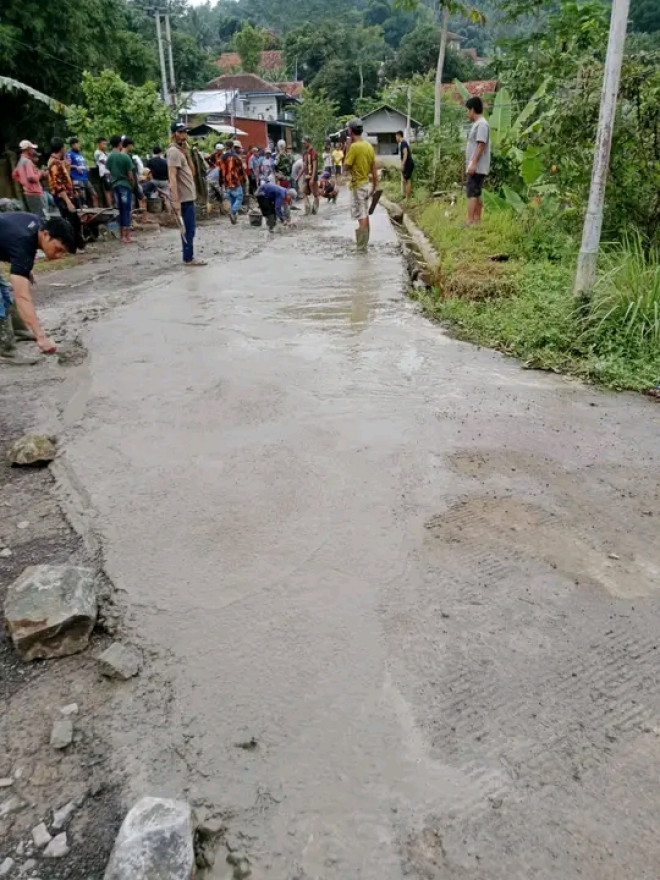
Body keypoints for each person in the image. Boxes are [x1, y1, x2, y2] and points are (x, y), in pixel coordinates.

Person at [0, 213, 76, 360]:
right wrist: (41, 337)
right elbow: (22, 297)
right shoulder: (24, 243)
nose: (59, 256)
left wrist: (25, 269)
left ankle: (20, 332)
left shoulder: (39, 224)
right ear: (46, 235)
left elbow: (10, 240)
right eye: (58, 249)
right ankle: (5, 350)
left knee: (4, 291)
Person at [166, 122, 205, 266]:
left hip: (189, 196)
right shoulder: (173, 152)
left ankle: (189, 257)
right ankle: (189, 258)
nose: (184, 135)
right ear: (174, 134)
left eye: (185, 132)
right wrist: (176, 200)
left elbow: (192, 172)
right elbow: (172, 177)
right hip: (183, 199)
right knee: (188, 230)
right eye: (180, 132)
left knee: (190, 229)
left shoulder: (181, 152)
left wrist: (187, 154)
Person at [344, 118, 378, 252]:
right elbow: (374, 168)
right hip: (366, 184)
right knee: (365, 213)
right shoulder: (369, 146)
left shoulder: (354, 147)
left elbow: (346, 167)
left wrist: (348, 148)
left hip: (357, 185)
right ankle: (364, 245)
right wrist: (375, 186)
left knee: (361, 215)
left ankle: (361, 248)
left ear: (350, 131)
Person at [48, 138, 85, 251]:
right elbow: (58, 186)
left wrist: (67, 167)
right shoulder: (54, 164)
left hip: (68, 194)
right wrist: (68, 202)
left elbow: (65, 178)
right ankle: (73, 247)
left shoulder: (59, 162)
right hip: (63, 197)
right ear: (61, 149)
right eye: (64, 147)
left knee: (74, 220)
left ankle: (78, 245)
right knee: (71, 221)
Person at [465, 96, 490, 226]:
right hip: (476, 165)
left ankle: (470, 221)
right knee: (476, 192)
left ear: (472, 110)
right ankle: (476, 220)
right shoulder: (478, 124)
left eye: (468, 110)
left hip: (477, 166)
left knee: (472, 193)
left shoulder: (482, 124)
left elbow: (481, 145)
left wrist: (473, 163)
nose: (467, 113)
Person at [105, 134, 135, 244]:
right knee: (126, 210)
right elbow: (130, 175)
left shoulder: (109, 157)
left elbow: (109, 173)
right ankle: (126, 236)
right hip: (125, 185)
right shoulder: (125, 157)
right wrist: (132, 184)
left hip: (115, 186)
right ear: (120, 144)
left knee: (121, 210)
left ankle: (122, 235)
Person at [12, 140, 47, 216]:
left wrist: (24, 182)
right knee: (41, 216)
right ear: (28, 149)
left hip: (28, 192)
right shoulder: (28, 162)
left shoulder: (20, 161)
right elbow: (32, 178)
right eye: (32, 148)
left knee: (34, 215)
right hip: (35, 193)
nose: (33, 150)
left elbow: (14, 175)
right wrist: (40, 173)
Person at [219, 140, 246, 225]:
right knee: (240, 197)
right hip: (235, 180)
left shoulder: (222, 157)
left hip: (226, 182)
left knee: (232, 199)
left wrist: (221, 182)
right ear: (232, 147)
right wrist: (243, 179)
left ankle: (234, 219)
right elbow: (241, 169)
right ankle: (233, 212)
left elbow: (220, 170)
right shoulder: (235, 157)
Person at [67, 138, 97, 207]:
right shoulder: (69, 154)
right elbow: (66, 166)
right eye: (77, 144)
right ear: (73, 145)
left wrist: (86, 167)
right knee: (83, 197)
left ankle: (96, 209)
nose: (79, 145)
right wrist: (75, 167)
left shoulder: (80, 153)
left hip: (85, 177)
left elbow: (82, 163)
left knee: (94, 194)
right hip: (77, 178)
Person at [301, 137, 319, 215]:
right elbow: (304, 166)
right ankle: (307, 208)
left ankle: (315, 209)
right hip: (306, 176)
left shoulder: (313, 152)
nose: (303, 144)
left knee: (315, 194)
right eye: (303, 143)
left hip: (312, 176)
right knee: (303, 192)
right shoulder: (304, 153)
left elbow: (314, 166)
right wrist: (299, 176)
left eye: (304, 143)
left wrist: (312, 178)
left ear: (308, 142)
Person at [94, 137, 114, 208]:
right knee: (108, 190)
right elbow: (104, 162)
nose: (105, 146)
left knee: (110, 190)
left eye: (105, 144)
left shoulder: (104, 153)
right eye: (103, 144)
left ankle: (112, 204)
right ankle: (110, 206)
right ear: (99, 144)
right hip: (104, 173)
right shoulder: (98, 152)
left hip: (109, 173)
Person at [395, 130, 414, 201]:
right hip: (407, 163)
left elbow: (405, 154)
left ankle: (407, 198)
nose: (396, 138)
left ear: (399, 136)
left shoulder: (403, 143)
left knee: (407, 181)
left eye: (396, 137)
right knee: (405, 180)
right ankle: (406, 197)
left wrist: (403, 165)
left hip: (408, 163)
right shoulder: (403, 143)